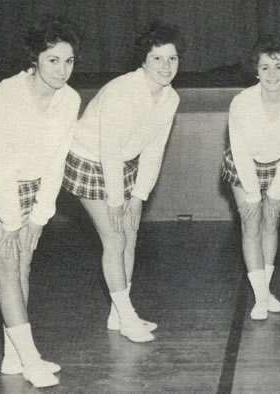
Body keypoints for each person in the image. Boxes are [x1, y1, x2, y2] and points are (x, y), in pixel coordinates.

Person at [0, 15, 81, 388]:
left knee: (23, 266)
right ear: (35, 59)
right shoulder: (6, 96)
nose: (62, 69)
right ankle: (30, 359)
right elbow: (1, 168)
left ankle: (14, 357)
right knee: (8, 266)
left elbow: (56, 161)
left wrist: (40, 218)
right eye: (53, 60)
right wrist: (12, 223)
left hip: (30, 182)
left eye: (69, 60)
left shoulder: (69, 99)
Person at [62, 22, 184, 343]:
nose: (165, 66)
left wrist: (139, 196)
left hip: (122, 164)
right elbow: (109, 149)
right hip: (89, 159)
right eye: (157, 59)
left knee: (130, 233)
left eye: (172, 59)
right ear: (142, 61)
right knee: (114, 238)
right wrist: (117, 200)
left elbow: (154, 151)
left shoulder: (171, 99)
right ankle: (127, 316)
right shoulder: (121, 92)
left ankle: (119, 314)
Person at [221, 35, 280, 320]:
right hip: (244, 165)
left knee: (271, 224)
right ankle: (260, 298)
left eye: (279, 67)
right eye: (264, 68)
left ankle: (265, 290)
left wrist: (274, 192)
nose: (272, 74)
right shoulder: (241, 102)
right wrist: (251, 194)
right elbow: (240, 149)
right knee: (252, 225)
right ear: (256, 71)